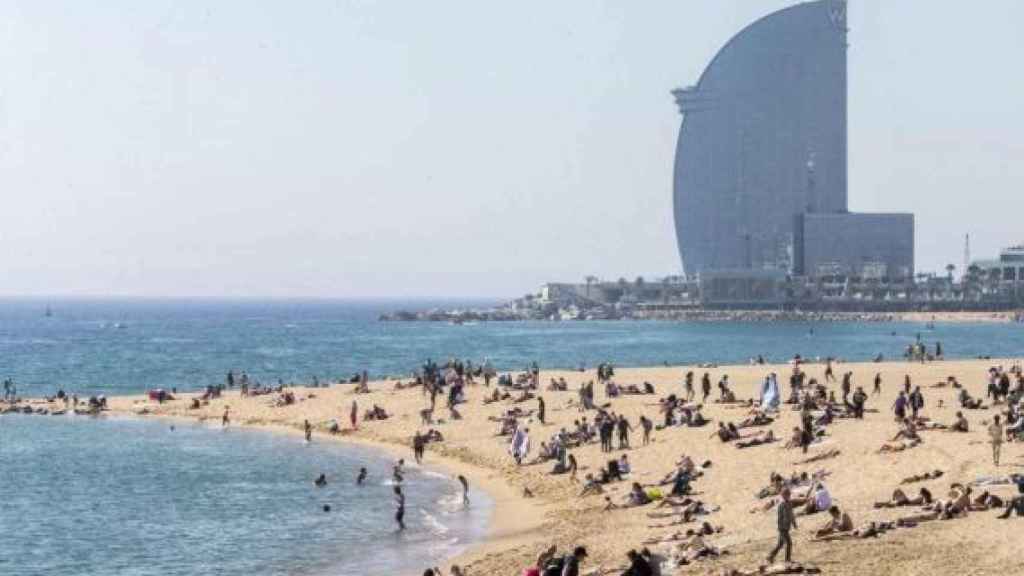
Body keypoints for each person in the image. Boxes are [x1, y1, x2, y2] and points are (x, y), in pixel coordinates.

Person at [767, 487, 798, 565]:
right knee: (789, 543)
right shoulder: (782, 504)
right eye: (786, 495)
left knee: (780, 544)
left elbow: (791, 514)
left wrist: (794, 523)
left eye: (788, 494)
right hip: (782, 528)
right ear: (782, 495)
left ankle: (770, 556)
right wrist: (782, 527)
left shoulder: (789, 503)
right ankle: (787, 560)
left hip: (786, 527)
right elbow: (781, 516)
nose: (788, 496)